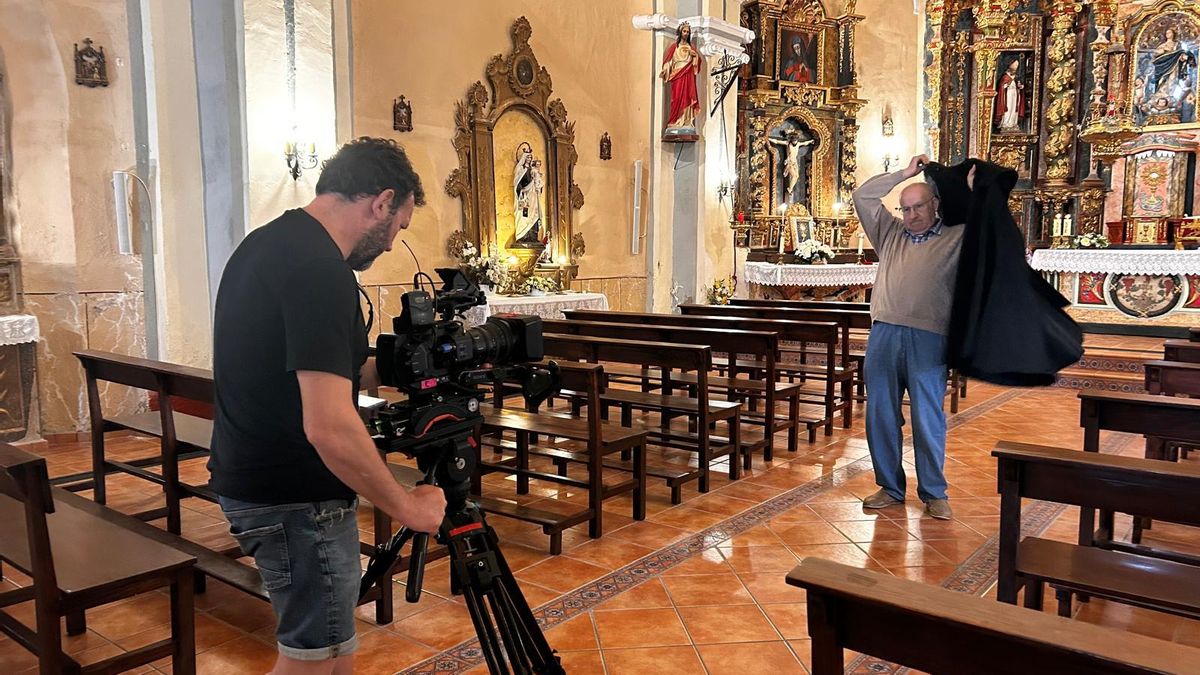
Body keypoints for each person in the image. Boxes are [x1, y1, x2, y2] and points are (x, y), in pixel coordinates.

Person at [209, 137, 447, 674]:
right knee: (309, 662)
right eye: (399, 226)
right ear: (382, 202)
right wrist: (406, 506)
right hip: (295, 496)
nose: (390, 245)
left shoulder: (268, 244)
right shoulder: (322, 270)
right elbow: (330, 426)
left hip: (260, 478)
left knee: (334, 652)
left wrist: (395, 366)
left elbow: (298, 369)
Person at [851, 154, 974, 521]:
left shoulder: (957, 236)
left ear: (935, 204)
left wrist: (969, 189)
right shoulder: (889, 234)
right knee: (881, 415)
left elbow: (988, 224)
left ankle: (934, 492)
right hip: (885, 333)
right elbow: (863, 197)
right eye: (905, 209)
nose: (911, 215)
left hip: (929, 337)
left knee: (927, 417)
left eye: (918, 206)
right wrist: (904, 174)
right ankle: (890, 486)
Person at [661, 22, 702, 132]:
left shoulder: (691, 47)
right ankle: (674, 121)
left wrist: (695, 56)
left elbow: (697, 64)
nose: (686, 33)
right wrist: (666, 69)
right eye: (684, 31)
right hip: (677, 75)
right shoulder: (675, 46)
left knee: (687, 97)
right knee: (677, 97)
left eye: (688, 32)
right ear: (680, 32)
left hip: (688, 75)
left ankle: (686, 121)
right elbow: (668, 61)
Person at [769, 131, 816, 202]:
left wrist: (810, 141)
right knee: (794, 176)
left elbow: (805, 143)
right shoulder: (788, 144)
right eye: (793, 140)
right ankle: (790, 189)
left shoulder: (798, 144)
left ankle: (790, 189)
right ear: (791, 140)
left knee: (796, 176)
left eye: (796, 140)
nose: (794, 142)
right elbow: (777, 141)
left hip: (795, 162)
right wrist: (768, 139)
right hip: (789, 162)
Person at [995, 58, 1025, 132]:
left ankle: (1013, 123)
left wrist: (1020, 86)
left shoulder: (1016, 77)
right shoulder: (1005, 76)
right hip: (1007, 95)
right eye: (1014, 65)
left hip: (1015, 94)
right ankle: (1006, 123)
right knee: (1008, 108)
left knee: (1014, 109)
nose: (1015, 66)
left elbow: (1019, 84)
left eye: (1016, 65)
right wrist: (1005, 85)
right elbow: (1001, 86)